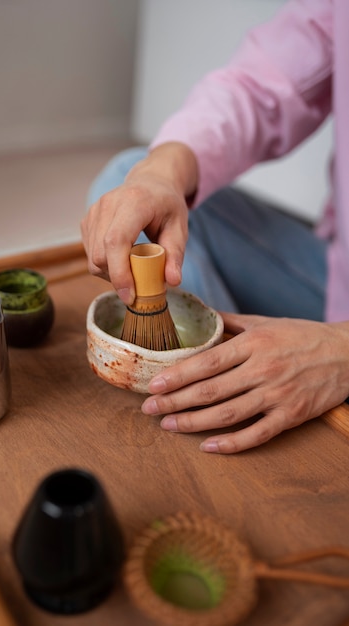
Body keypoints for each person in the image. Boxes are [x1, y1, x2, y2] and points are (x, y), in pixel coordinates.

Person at [81, 0, 349, 454]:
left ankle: (236, 385)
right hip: (335, 278)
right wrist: (162, 173)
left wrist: (340, 351)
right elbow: (262, 86)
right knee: (129, 179)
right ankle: (224, 376)